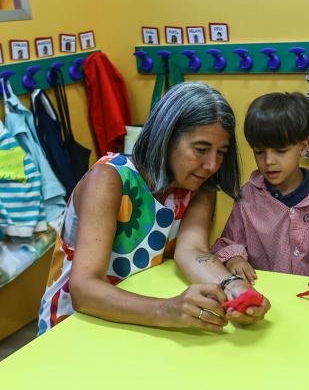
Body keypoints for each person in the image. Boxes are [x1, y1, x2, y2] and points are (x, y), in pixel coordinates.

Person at [38, 82, 270, 335]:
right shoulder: (108, 179)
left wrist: (234, 286)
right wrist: (167, 310)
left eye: (221, 152)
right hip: (74, 324)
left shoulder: (199, 188)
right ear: (166, 139)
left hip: (136, 319)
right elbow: (84, 290)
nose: (212, 165)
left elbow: (192, 252)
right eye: (200, 150)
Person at [211, 92, 309, 298]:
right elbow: (229, 243)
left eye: (280, 151)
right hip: (267, 300)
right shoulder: (247, 198)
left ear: (303, 147)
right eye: (259, 151)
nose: (268, 161)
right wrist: (234, 259)